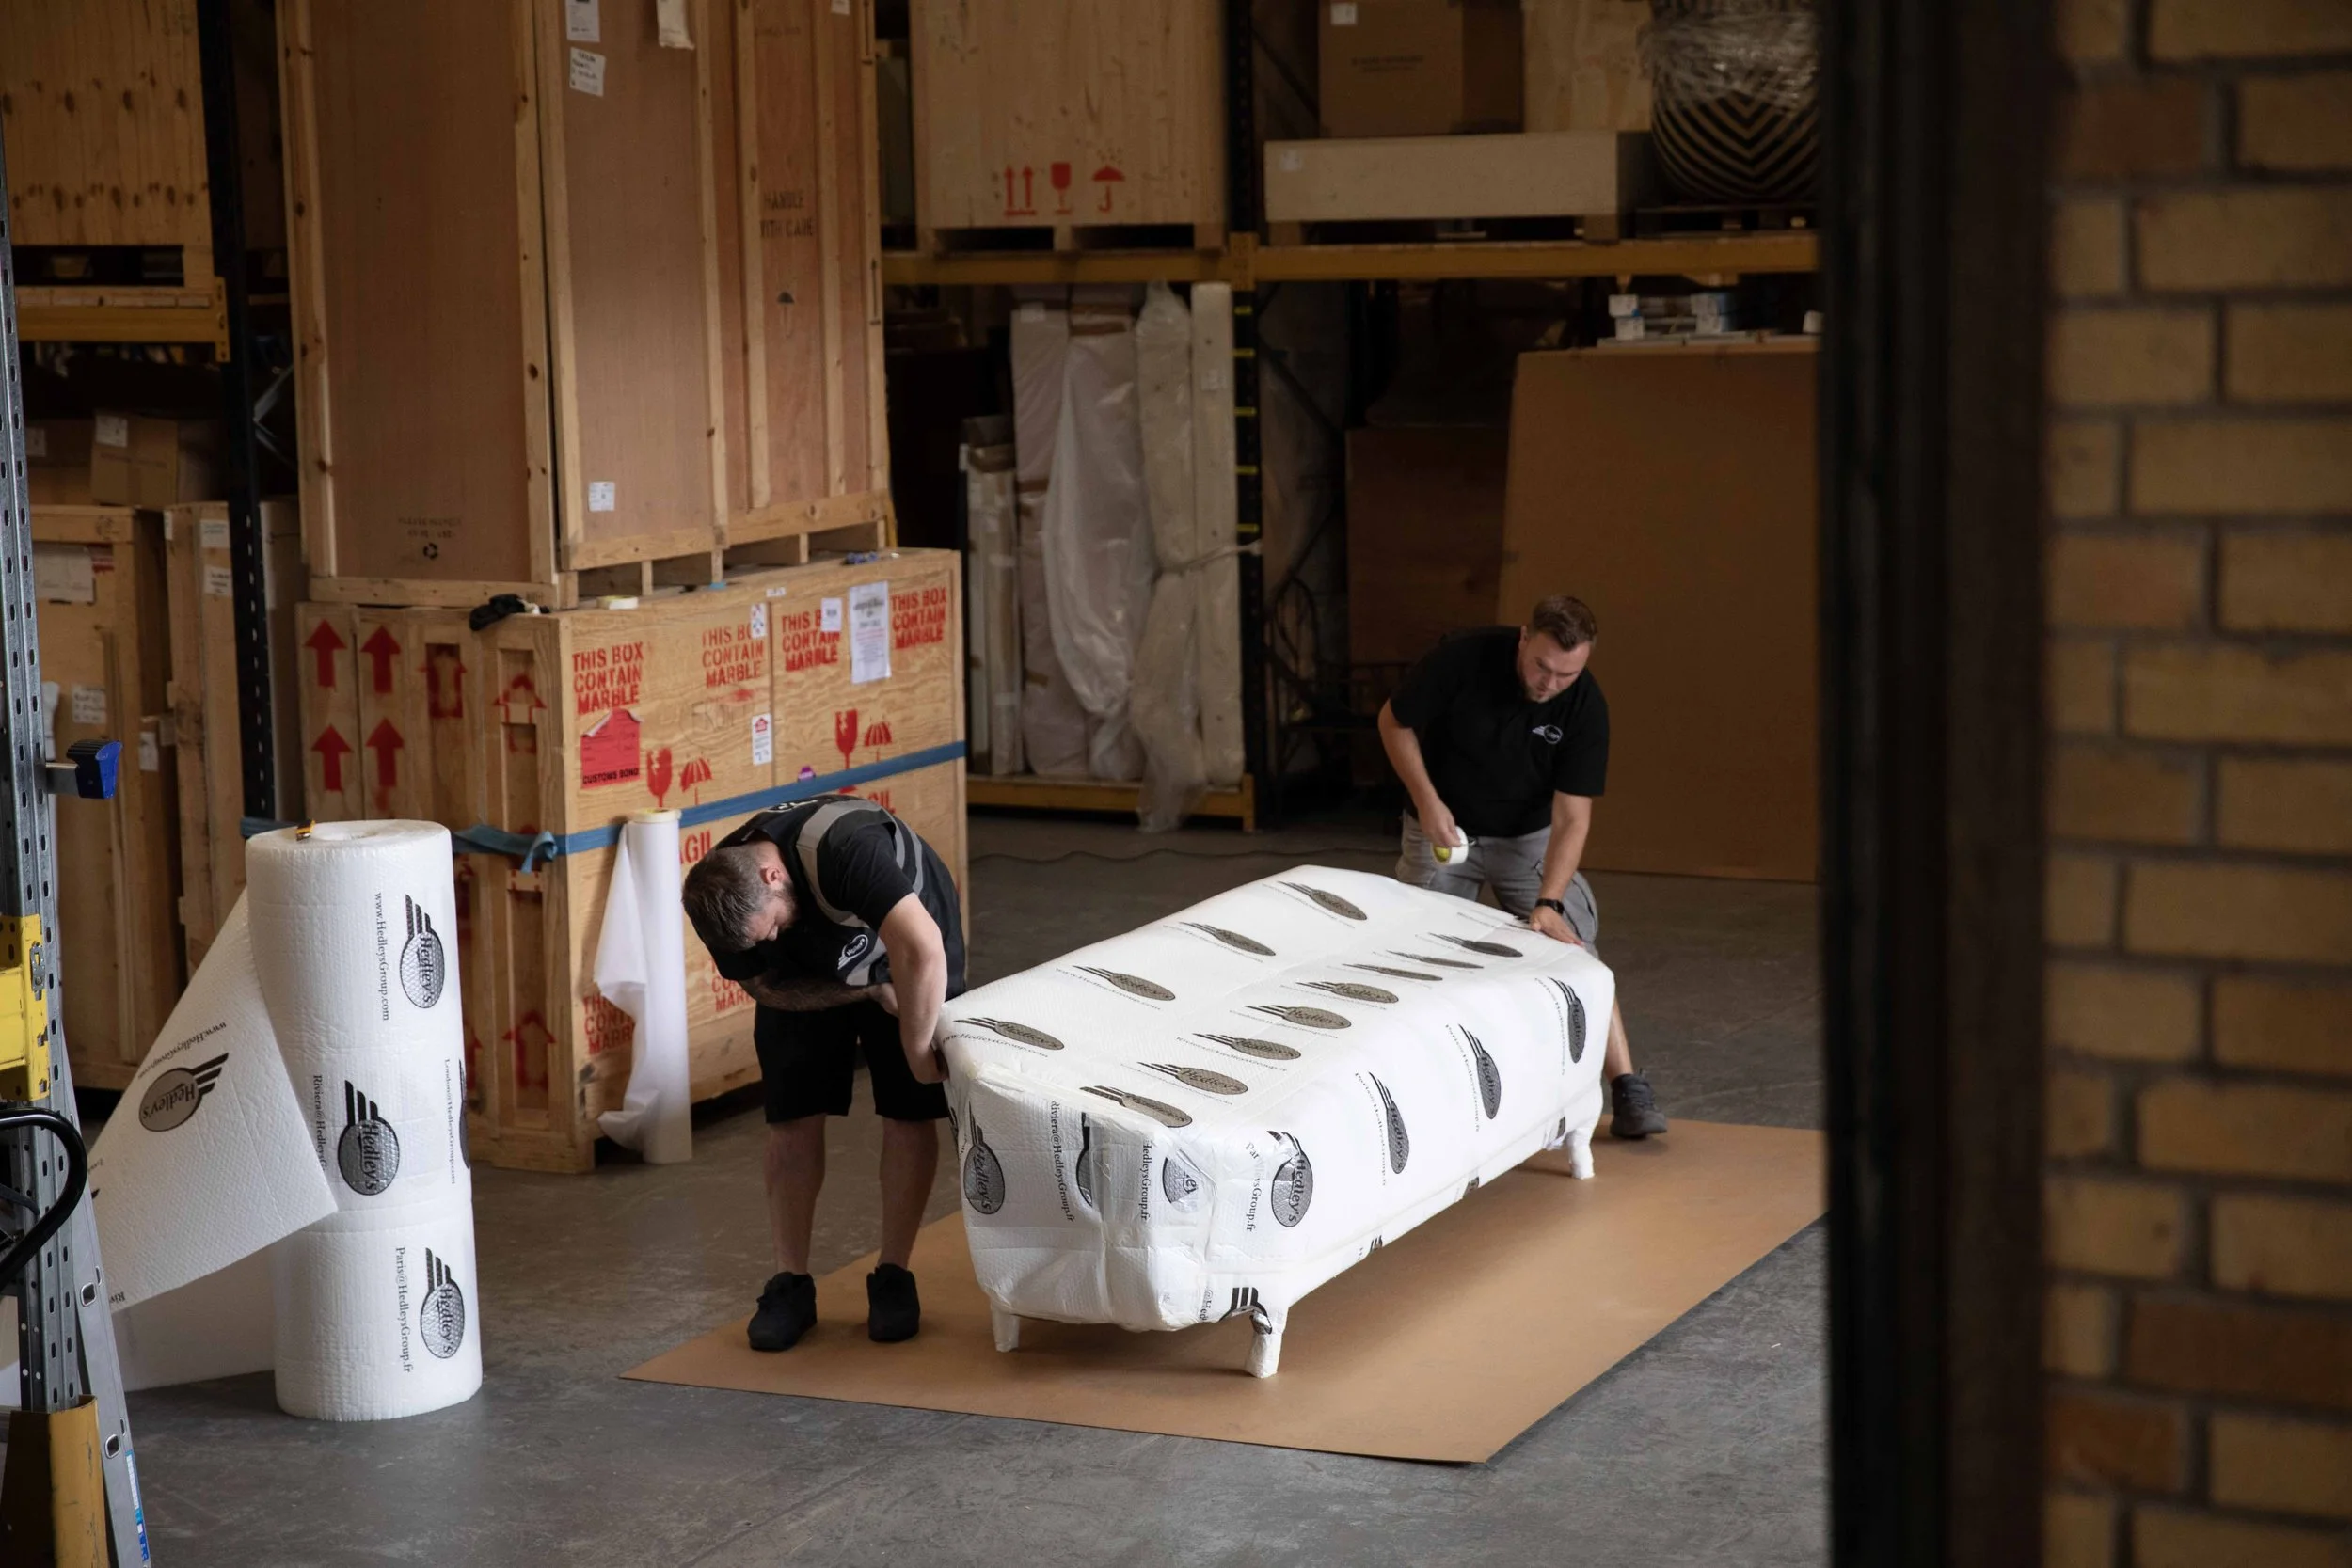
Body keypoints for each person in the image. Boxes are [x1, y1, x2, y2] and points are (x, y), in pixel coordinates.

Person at [1377, 594, 1669, 1139]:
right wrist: (1426, 800)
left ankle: (1628, 1087)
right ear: (1522, 639)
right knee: (1413, 952)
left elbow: (1573, 819)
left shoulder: (1584, 704)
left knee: (1574, 944)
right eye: (1541, 666)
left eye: (1567, 672)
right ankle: (1411, 1096)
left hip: (1526, 837)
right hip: (1443, 827)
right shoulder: (1461, 660)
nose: (1549, 683)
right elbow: (1394, 723)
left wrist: (1549, 901)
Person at [680, 794, 963, 1353]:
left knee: (910, 1109)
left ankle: (893, 1275)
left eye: (772, 928)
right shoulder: (718, 894)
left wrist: (913, 1046)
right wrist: (851, 991)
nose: (770, 940)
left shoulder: (843, 848)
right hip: (811, 978)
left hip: (905, 953)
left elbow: (924, 949)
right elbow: (765, 984)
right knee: (791, 1114)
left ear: (773, 874)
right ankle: (790, 1283)